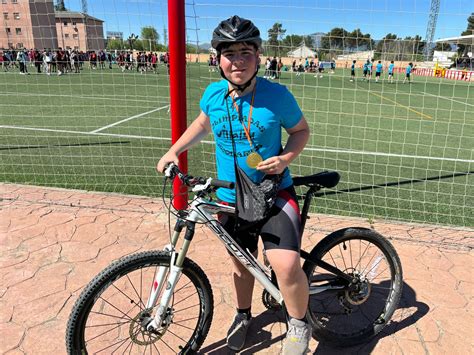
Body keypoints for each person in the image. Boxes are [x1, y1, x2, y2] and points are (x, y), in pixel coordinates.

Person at [157, 15, 311, 354]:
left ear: (258, 56)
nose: (237, 60)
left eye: (246, 52)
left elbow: (301, 131)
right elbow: (201, 124)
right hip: (230, 196)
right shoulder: (214, 95)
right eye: (230, 53)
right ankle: (243, 315)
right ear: (218, 58)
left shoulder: (277, 95)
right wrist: (174, 150)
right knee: (241, 267)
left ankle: (299, 324)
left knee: (286, 267)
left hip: (273, 193)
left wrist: (285, 158)